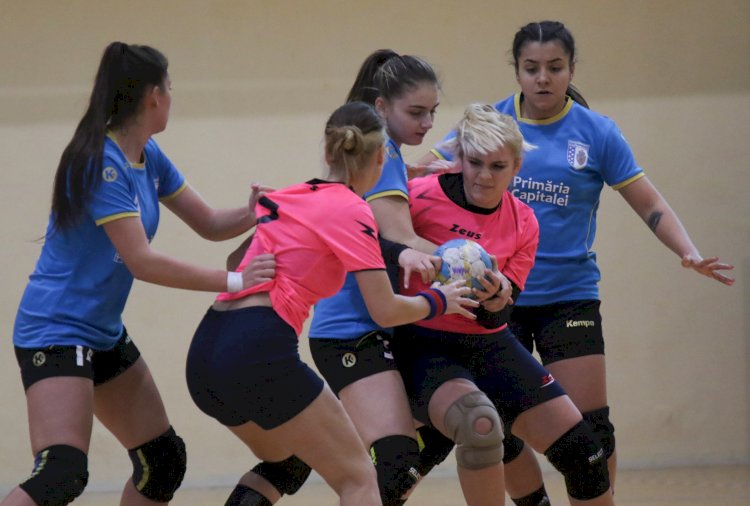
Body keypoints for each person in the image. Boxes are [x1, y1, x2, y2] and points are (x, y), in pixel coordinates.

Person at [417, 20, 735, 505]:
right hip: (493, 300)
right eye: (531, 68)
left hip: (568, 296)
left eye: (555, 67)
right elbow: (423, 175)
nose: (543, 78)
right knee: (501, 428)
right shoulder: (492, 127)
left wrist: (686, 250)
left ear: (571, 69)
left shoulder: (598, 133)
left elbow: (650, 203)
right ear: (517, 71)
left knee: (591, 430)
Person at [3, 42, 276, 506]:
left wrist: (253, 212)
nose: (172, 97)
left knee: (162, 459)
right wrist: (235, 281)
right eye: (170, 89)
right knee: (62, 473)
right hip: (56, 329)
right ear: (153, 95)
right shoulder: (100, 163)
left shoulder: (148, 154)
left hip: (102, 333)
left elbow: (209, 222)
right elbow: (142, 261)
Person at [184, 101, 477, 506]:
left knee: (288, 462)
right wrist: (437, 301)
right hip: (258, 350)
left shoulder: (286, 196)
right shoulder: (354, 209)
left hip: (206, 353)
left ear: (327, 152)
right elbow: (385, 310)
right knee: (360, 479)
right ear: (380, 158)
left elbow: (236, 263)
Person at [396, 103, 615, 506]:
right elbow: (373, 245)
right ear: (459, 158)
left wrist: (497, 297)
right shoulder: (416, 198)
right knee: (476, 428)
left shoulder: (524, 222)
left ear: (516, 167)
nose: (483, 176)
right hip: (422, 342)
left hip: (488, 342)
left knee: (586, 453)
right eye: (474, 162)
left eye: (497, 166)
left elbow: (501, 309)